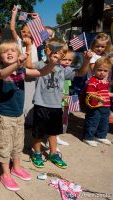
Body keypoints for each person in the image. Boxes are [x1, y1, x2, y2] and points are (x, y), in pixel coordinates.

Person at [0, 40, 58, 191]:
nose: (9, 53)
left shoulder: (22, 71)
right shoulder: (0, 70)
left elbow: (42, 72)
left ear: (19, 53)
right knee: (5, 146)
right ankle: (5, 174)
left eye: (13, 50)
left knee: (18, 144)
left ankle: (16, 167)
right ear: (0, 57)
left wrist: (52, 63)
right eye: (5, 51)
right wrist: (17, 64)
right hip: (5, 116)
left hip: (19, 115)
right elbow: (3, 74)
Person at [30, 38, 92, 169]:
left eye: (61, 53)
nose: (58, 55)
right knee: (38, 133)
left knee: (53, 133)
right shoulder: (40, 65)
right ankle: (36, 153)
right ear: (47, 51)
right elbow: (28, 66)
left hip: (56, 106)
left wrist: (86, 60)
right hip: (41, 104)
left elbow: (81, 72)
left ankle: (53, 154)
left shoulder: (63, 69)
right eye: (55, 51)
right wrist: (28, 46)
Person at [10, 6, 39, 127]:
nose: (26, 34)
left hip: (33, 73)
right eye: (23, 31)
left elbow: (42, 32)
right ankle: (22, 119)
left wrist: (37, 20)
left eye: (28, 32)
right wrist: (14, 13)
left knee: (32, 97)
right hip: (21, 73)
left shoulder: (36, 42)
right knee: (22, 96)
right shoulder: (19, 42)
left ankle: (30, 121)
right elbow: (12, 28)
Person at [83, 56, 112, 146]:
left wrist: (109, 95)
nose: (102, 73)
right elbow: (91, 94)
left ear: (109, 72)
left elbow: (106, 92)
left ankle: (101, 136)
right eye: (99, 70)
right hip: (95, 106)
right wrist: (101, 97)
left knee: (104, 122)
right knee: (93, 121)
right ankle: (88, 137)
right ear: (94, 69)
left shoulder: (105, 81)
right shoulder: (93, 81)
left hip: (106, 105)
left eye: (105, 71)